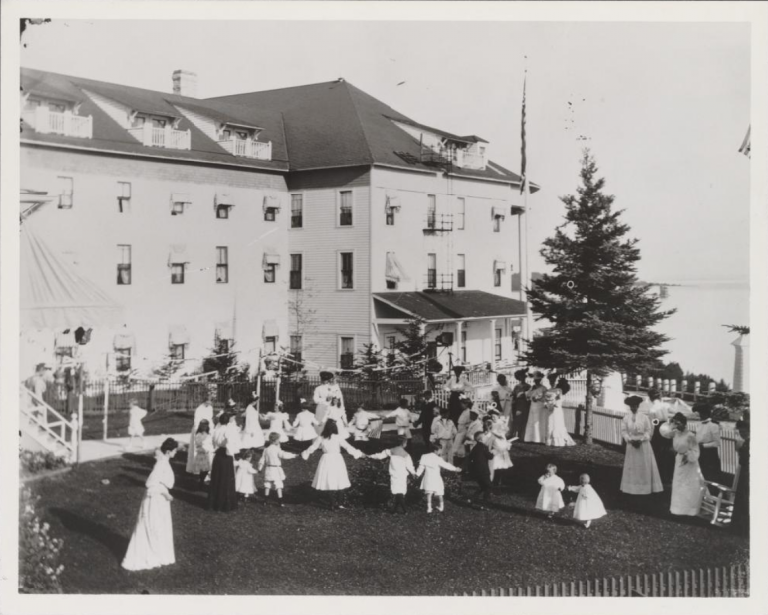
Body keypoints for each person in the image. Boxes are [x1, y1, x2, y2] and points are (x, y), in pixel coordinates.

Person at [122, 438, 178, 571]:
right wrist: (165, 494)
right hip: (155, 500)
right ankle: (150, 553)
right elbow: (150, 484)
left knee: (159, 527)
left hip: (160, 500)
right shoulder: (161, 464)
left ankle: (159, 552)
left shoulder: (164, 462)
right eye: (175, 451)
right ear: (169, 451)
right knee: (153, 526)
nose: (176, 453)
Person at [301, 419, 364, 511]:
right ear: (335, 428)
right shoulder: (338, 437)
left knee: (329, 480)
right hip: (337, 459)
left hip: (327, 459)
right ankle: (339, 503)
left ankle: (332, 504)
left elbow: (313, 447)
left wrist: (305, 453)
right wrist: (358, 453)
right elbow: (348, 447)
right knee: (340, 480)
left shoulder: (321, 437)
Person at [661, 412, 706, 516]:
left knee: (688, 485)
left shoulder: (690, 435)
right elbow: (664, 433)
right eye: (676, 423)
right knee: (678, 484)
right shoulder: (675, 433)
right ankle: (677, 509)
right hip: (679, 460)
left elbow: (696, 451)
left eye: (679, 423)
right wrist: (671, 424)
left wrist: (688, 455)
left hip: (689, 463)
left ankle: (690, 509)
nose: (677, 425)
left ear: (684, 423)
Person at [620, 395, 663, 495]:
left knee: (643, 466)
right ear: (629, 407)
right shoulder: (626, 418)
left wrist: (642, 440)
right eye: (631, 406)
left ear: (638, 406)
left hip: (643, 445)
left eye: (635, 406)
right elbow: (624, 431)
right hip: (631, 445)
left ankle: (644, 489)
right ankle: (632, 489)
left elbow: (648, 430)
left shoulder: (644, 417)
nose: (633, 408)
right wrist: (630, 440)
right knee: (633, 466)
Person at [368, 437, 417, 514]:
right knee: (400, 492)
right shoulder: (406, 454)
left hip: (394, 474)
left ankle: (397, 510)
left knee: (397, 492)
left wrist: (370, 456)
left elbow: (380, 456)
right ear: (404, 444)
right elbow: (410, 466)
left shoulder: (390, 451)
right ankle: (404, 510)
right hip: (402, 474)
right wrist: (413, 473)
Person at [415, 441, 462, 513]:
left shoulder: (424, 456)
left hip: (428, 478)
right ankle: (441, 507)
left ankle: (429, 508)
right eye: (440, 450)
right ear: (436, 450)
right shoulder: (438, 459)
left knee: (429, 493)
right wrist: (455, 469)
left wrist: (417, 474)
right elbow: (446, 465)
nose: (440, 451)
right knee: (440, 493)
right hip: (436, 478)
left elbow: (421, 468)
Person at [207, 412, 239, 512]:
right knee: (226, 479)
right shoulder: (228, 430)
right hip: (225, 455)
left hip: (218, 454)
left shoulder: (216, 430)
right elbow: (230, 443)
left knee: (217, 478)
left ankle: (215, 503)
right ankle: (225, 504)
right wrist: (231, 451)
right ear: (228, 421)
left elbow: (212, 442)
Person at [258, 432, 298, 507]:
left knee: (267, 484)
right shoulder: (277, 449)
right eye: (278, 440)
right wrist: (294, 455)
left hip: (268, 468)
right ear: (275, 440)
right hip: (276, 469)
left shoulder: (266, 450)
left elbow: (262, 460)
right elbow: (284, 455)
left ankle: (265, 500)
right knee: (278, 485)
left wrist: (259, 468)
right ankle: (280, 501)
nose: (279, 441)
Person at [645, 388, 674, 483]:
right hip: (666, 427)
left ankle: (659, 476)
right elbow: (668, 416)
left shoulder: (652, 409)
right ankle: (668, 476)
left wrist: (651, 435)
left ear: (650, 398)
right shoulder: (665, 405)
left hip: (658, 429)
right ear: (659, 397)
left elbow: (653, 423)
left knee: (658, 453)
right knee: (667, 453)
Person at [694, 403, 722, 487]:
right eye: (699, 413)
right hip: (700, 453)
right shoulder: (699, 425)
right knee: (700, 475)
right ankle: (703, 496)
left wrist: (703, 446)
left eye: (702, 413)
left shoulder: (713, 425)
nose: (700, 415)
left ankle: (713, 496)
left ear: (706, 414)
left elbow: (717, 443)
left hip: (710, 455)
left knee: (711, 477)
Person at [186, 396, 214, 474]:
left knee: (208, 448)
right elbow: (196, 422)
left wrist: (210, 429)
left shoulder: (210, 408)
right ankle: (197, 468)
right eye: (209, 401)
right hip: (200, 430)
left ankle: (207, 466)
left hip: (207, 429)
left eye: (211, 401)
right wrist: (199, 432)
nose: (210, 403)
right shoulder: (199, 409)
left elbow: (210, 419)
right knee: (198, 448)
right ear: (205, 400)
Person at [731, 419, 750, 537]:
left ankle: (744, 527)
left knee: (745, 499)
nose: (742, 434)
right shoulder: (744, 442)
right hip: (744, 472)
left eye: (744, 431)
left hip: (749, 472)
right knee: (741, 498)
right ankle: (738, 526)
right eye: (740, 432)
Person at [466, 431, 494, 507]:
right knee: (489, 487)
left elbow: (470, 457)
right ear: (480, 440)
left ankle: (471, 499)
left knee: (482, 487)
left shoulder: (475, 448)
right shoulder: (484, 447)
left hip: (476, 472)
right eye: (485, 437)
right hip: (484, 471)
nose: (486, 438)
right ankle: (484, 504)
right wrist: (492, 452)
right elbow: (490, 457)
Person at [523, 371, 549, 443]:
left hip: (540, 406)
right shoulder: (532, 387)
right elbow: (527, 396)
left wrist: (539, 399)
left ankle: (538, 439)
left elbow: (546, 398)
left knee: (538, 421)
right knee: (531, 421)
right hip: (532, 406)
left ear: (540, 380)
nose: (536, 381)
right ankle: (530, 438)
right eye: (535, 380)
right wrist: (531, 392)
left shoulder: (544, 388)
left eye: (537, 380)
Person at [190, 419, 214, 486]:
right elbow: (198, 446)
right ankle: (201, 482)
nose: (204, 427)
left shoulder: (208, 434)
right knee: (203, 469)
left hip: (209, 453)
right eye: (203, 426)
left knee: (207, 469)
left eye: (206, 426)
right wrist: (204, 451)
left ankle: (203, 481)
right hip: (203, 454)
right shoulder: (199, 435)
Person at [451, 395, 475, 460]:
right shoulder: (464, 411)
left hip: (463, 431)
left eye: (462, 404)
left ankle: (458, 459)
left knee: (458, 446)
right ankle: (458, 458)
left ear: (466, 404)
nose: (461, 406)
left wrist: (465, 434)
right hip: (460, 431)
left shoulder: (469, 412)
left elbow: (469, 423)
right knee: (458, 445)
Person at [510, 369, 531, 439]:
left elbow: (529, 396)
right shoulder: (516, 386)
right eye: (521, 377)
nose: (522, 378)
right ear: (519, 378)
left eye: (524, 377)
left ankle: (523, 435)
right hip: (518, 404)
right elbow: (513, 395)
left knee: (524, 419)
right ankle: (517, 434)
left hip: (525, 404)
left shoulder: (528, 386)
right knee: (518, 419)